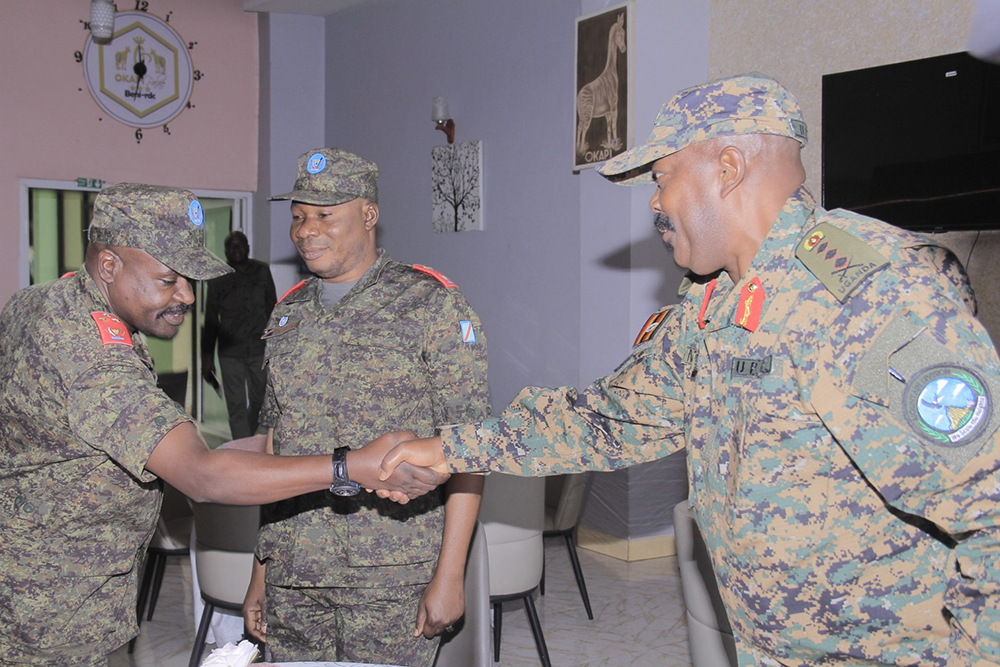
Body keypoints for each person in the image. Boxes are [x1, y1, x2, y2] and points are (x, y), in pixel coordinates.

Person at [377, 73, 1000, 666]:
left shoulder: (863, 294)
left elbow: (990, 505)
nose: (654, 201)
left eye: (662, 176)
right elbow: (610, 418)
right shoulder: (713, 302)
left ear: (728, 168)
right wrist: (448, 448)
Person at [0, 182, 441, 666]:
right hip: (46, 604)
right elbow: (202, 475)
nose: (187, 296)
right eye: (169, 279)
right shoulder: (89, 351)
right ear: (109, 266)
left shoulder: (40, 302)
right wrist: (351, 465)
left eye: (189, 279)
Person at [240, 148, 489, 666]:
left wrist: (450, 575)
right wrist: (260, 571)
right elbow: (273, 449)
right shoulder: (286, 315)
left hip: (392, 571)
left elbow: (468, 447)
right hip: (296, 569)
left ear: (369, 215)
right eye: (298, 216)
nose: (306, 230)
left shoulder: (430, 304)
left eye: (325, 215)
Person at [202, 230, 277, 439]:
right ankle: (243, 449)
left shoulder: (261, 271)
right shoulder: (218, 277)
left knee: (260, 401)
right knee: (235, 405)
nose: (236, 250)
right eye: (232, 246)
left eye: (240, 245)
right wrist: (207, 357)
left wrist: (276, 344)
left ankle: (253, 439)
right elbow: (210, 319)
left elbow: (273, 309)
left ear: (248, 248)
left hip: (259, 348)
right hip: (229, 350)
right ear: (226, 251)